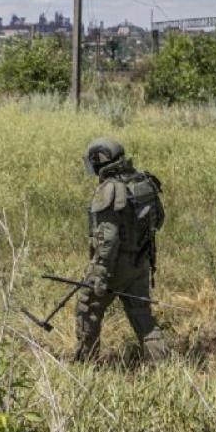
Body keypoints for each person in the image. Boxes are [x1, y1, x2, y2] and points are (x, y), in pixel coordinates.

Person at [74, 138, 170, 362]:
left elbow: (107, 240)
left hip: (116, 264)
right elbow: (159, 220)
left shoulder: (109, 189)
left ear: (100, 161)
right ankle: (162, 364)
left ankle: (85, 364)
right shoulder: (143, 181)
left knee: (87, 306)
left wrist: (99, 275)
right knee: (142, 314)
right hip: (141, 261)